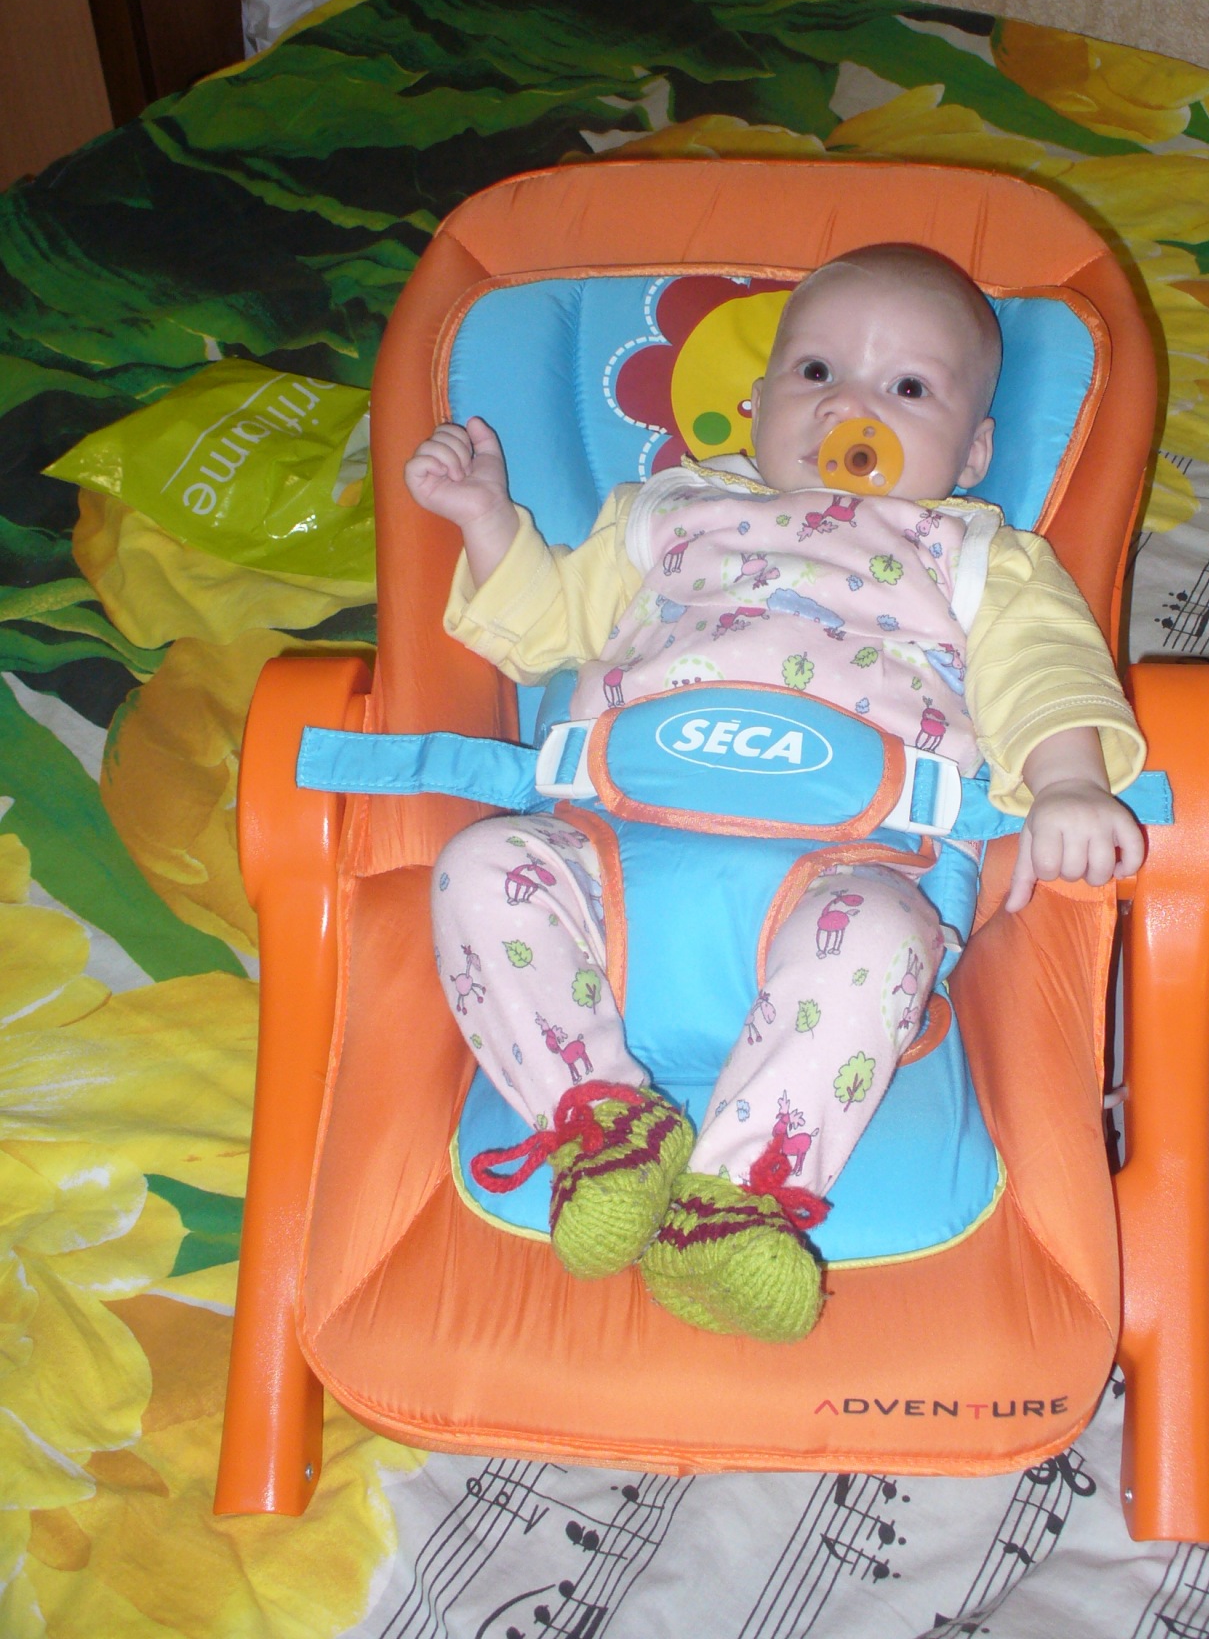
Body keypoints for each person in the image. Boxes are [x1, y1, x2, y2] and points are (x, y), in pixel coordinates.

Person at [405, 244, 1146, 1342]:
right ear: (755, 404)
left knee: (885, 936)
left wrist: (1069, 780)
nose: (851, 406)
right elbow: (546, 630)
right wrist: (486, 523)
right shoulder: (669, 515)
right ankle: (600, 1124)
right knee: (478, 866)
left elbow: (1048, 671)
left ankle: (735, 1198)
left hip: (840, 871)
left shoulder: (975, 557)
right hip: (611, 855)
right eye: (815, 372)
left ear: (976, 450)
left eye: (908, 387)